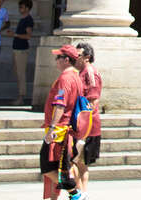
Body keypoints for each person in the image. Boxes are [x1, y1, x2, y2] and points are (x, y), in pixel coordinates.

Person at [38, 47, 87, 200]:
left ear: (66, 60)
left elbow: (60, 104)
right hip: (67, 129)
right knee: (66, 166)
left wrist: (52, 127)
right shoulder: (75, 76)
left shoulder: (65, 78)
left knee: (47, 167)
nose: (55, 61)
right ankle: (73, 195)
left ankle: (76, 194)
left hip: (59, 130)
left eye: (58, 57)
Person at [72, 43, 103, 197]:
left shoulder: (90, 74)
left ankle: (81, 193)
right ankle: (80, 193)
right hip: (81, 125)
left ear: (87, 57)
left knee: (78, 162)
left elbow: (93, 100)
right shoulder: (81, 73)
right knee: (78, 162)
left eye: (78, 55)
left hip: (87, 127)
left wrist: (82, 125)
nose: (74, 58)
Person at [11, 1, 36, 107]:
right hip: (17, 48)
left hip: (22, 49)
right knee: (17, 72)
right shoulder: (23, 19)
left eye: (21, 7)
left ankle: (21, 97)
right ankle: (20, 96)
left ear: (27, 8)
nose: (20, 9)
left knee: (21, 73)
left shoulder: (28, 20)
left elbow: (28, 36)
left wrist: (15, 34)